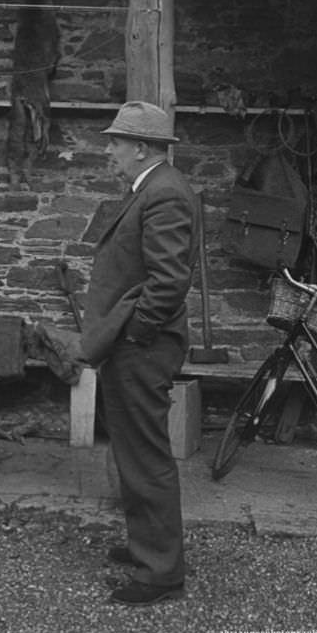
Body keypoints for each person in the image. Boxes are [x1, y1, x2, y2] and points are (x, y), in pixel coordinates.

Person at [81, 101, 198, 607]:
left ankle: (160, 574)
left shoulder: (164, 193)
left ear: (142, 148)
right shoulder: (151, 188)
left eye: (116, 142)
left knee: (146, 456)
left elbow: (169, 281)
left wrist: (135, 334)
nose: (110, 151)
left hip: (141, 346)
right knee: (133, 450)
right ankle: (147, 547)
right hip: (132, 342)